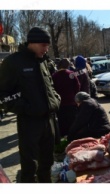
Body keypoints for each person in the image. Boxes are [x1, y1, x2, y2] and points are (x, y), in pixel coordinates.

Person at [0, 27, 61, 183]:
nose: (46, 49)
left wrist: (56, 99)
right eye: (43, 45)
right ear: (32, 43)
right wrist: (25, 108)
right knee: (29, 167)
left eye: (47, 45)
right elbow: (3, 94)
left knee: (47, 163)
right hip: (29, 123)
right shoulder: (13, 62)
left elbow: (51, 86)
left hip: (49, 121)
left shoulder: (44, 61)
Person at [52, 58, 80, 137]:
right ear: (68, 66)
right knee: (72, 122)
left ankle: (63, 139)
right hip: (72, 102)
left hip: (60, 104)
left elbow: (52, 88)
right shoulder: (71, 74)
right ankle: (73, 137)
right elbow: (77, 86)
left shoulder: (54, 76)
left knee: (62, 123)